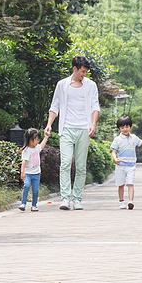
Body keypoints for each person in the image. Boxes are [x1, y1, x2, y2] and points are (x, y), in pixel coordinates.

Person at [45, 55, 100, 210]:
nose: (84, 74)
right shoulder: (62, 85)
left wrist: (93, 124)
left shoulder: (91, 85)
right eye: (82, 71)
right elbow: (54, 106)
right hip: (67, 128)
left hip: (84, 128)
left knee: (81, 166)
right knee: (66, 163)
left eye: (86, 72)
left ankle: (77, 199)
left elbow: (95, 106)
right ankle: (64, 198)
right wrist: (49, 124)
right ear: (74, 69)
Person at [111, 115, 142, 210]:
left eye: (127, 127)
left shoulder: (134, 138)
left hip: (131, 165)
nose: (125, 129)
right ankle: (121, 201)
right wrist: (115, 159)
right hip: (120, 165)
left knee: (130, 183)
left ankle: (131, 201)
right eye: (122, 127)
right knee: (121, 184)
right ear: (119, 128)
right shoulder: (117, 140)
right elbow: (114, 151)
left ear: (130, 127)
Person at [19, 128, 50, 212]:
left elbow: (42, 146)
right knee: (27, 186)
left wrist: (46, 138)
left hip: (36, 173)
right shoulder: (26, 150)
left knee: (35, 190)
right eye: (36, 140)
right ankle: (23, 203)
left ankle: (34, 205)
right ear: (30, 140)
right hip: (27, 173)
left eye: (38, 140)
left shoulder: (36, 148)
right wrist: (22, 172)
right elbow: (24, 162)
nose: (37, 142)